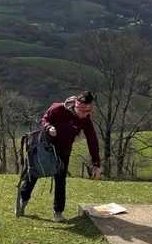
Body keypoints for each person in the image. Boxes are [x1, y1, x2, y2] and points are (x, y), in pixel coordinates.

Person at [17, 90, 102, 223]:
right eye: (84, 112)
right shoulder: (57, 108)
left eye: (88, 112)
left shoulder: (85, 120)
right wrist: (49, 127)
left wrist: (96, 163)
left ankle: (58, 212)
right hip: (45, 147)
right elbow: (45, 119)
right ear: (77, 107)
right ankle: (23, 200)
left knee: (60, 180)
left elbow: (92, 139)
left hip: (64, 152)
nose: (86, 115)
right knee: (33, 174)